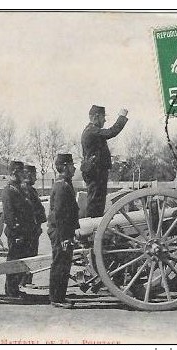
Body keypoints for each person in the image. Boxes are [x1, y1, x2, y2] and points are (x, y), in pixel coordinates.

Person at [81, 105, 129, 218]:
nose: (105, 120)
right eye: (103, 117)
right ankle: (93, 230)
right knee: (95, 204)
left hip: (96, 171)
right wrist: (121, 117)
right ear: (96, 117)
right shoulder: (91, 131)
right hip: (96, 172)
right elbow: (112, 132)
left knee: (97, 203)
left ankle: (95, 229)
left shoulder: (91, 130)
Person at [48, 153, 80, 308]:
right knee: (59, 264)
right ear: (66, 167)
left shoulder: (65, 184)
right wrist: (63, 238)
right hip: (60, 232)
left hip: (64, 232)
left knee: (64, 264)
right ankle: (56, 299)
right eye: (72, 165)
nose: (75, 168)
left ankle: (60, 296)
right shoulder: (62, 186)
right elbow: (60, 214)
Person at [2, 160, 34, 298]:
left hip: (22, 232)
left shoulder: (18, 188)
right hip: (16, 233)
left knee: (19, 261)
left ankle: (14, 289)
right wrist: (16, 233)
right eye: (21, 172)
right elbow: (9, 215)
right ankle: (11, 290)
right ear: (15, 172)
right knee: (13, 262)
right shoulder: (9, 190)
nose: (23, 174)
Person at [20, 164, 47, 286]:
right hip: (30, 228)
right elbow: (30, 210)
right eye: (34, 175)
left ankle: (26, 279)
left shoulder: (30, 189)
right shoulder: (25, 189)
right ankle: (24, 280)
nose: (36, 178)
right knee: (28, 254)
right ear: (28, 175)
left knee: (31, 253)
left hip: (34, 227)